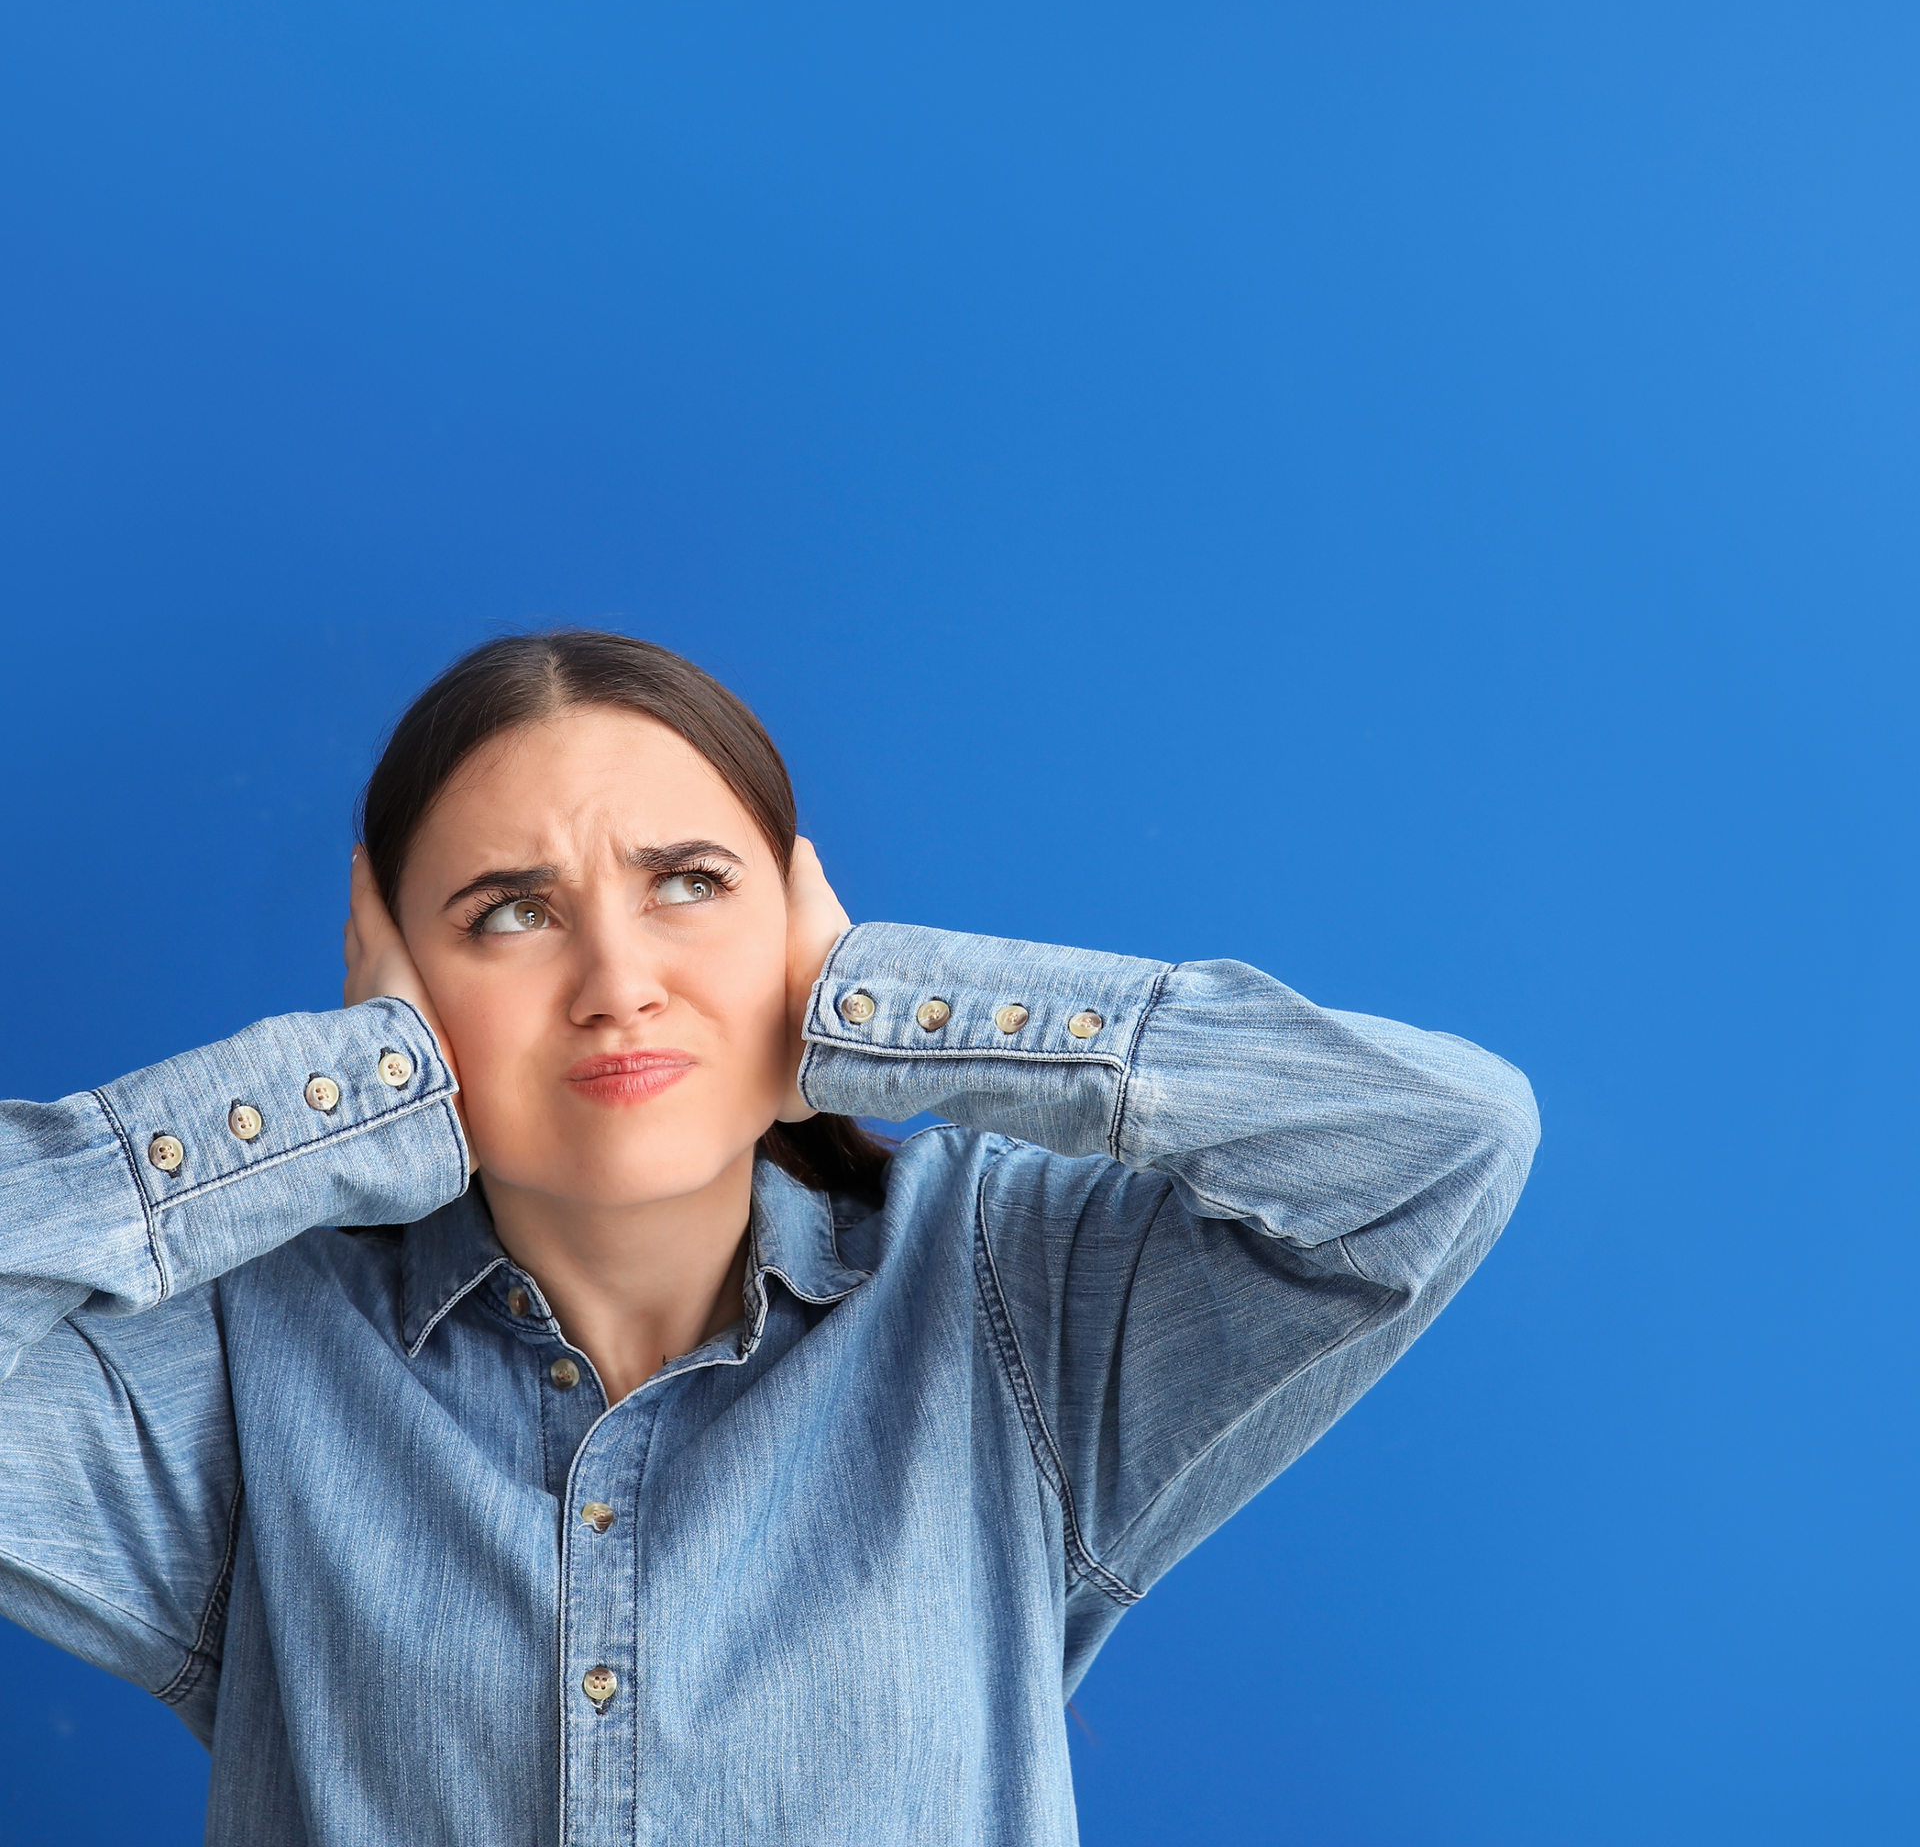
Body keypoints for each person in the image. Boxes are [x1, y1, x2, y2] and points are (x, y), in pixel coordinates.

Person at [0, 630, 1539, 1846]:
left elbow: (1437, 1143)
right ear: (392, 963)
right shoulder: (244, 1362)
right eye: (508, 913)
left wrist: (876, 1012)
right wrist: (349, 1090)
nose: (617, 980)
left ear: (797, 920)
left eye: (690, 885)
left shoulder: (1006, 1295)